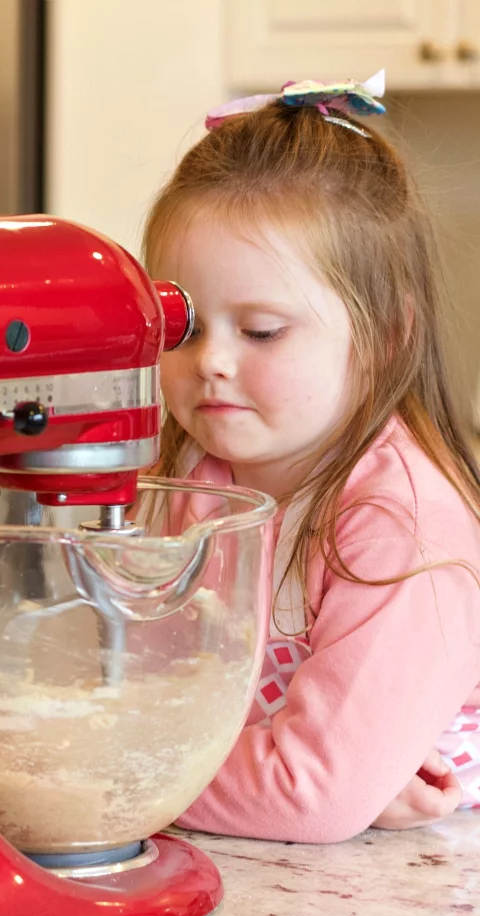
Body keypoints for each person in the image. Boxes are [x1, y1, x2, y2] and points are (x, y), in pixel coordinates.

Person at [143, 72, 480, 843]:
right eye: (184, 326)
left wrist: (109, 767)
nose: (212, 362)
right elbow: (138, 679)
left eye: (261, 331)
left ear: (386, 335)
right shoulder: (197, 473)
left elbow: (311, 794)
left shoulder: (402, 527)